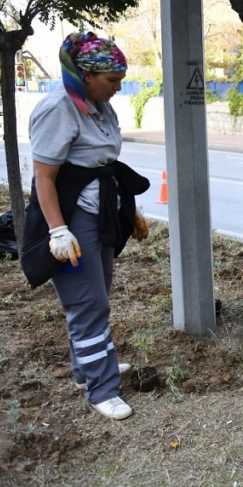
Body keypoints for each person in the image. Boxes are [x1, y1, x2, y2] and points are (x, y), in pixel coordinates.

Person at [24, 32, 150, 420]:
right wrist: (58, 230)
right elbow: (44, 178)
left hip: (101, 214)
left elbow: (103, 166)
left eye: (120, 78)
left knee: (97, 297)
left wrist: (128, 212)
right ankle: (102, 388)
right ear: (85, 75)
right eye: (112, 80)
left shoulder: (98, 105)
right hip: (71, 219)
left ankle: (88, 369)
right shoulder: (59, 109)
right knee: (87, 303)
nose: (118, 86)